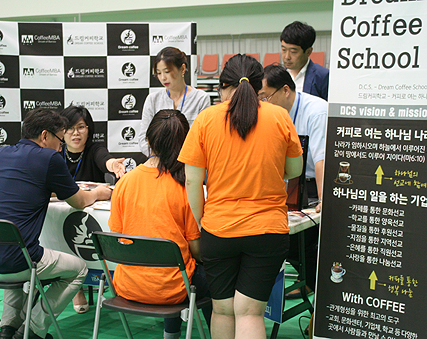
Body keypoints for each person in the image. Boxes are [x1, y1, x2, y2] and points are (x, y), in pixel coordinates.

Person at [178, 54, 303, 339]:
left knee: (223, 311)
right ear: (260, 86)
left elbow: (192, 181)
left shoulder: (206, 119)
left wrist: (202, 223)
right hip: (268, 231)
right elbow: (293, 169)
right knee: (250, 313)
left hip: (219, 230)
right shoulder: (279, 117)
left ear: (223, 87)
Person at [0, 108, 112, 339]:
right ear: (44, 136)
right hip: (15, 262)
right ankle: (33, 329)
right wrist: (100, 192)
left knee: (11, 247)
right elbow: (80, 201)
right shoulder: (49, 158)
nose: (61, 147)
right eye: (60, 140)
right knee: (78, 269)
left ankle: (8, 328)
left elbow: (22, 187)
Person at [109, 109, 212, 339]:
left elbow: (117, 237)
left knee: (172, 263)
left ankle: (171, 334)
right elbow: (196, 248)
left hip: (127, 285)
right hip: (174, 289)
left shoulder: (124, 183)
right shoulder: (187, 186)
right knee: (214, 275)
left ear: (148, 141)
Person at [259, 63, 327, 299]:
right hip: (287, 180)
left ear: (285, 90)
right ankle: (304, 278)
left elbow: (320, 158)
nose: (264, 103)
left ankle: (310, 283)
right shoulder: (270, 114)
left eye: (266, 97)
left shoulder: (316, 110)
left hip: (311, 181)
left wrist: (323, 198)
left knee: (304, 238)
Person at [59, 105, 126, 313]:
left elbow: (105, 159)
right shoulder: (55, 152)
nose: (76, 133)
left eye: (81, 127)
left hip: (88, 212)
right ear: (62, 131)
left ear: (89, 129)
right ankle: (73, 284)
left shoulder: (94, 149)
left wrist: (114, 164)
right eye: (70, 128)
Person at [138, 46, 211, 156]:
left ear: (182, 69)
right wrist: (157, 159)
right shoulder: (153, 99)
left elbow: (204, 138)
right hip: (160, 164)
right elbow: (143, 139)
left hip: (189, 164)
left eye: (167, 71)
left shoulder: (201, 98)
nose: (163, 78)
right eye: (159, 73)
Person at [280, 21, 329, 101]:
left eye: (293, 52)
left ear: (308, 51)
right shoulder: (278, 75)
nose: (287, 57)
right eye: (283, 50)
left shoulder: (322, 76)